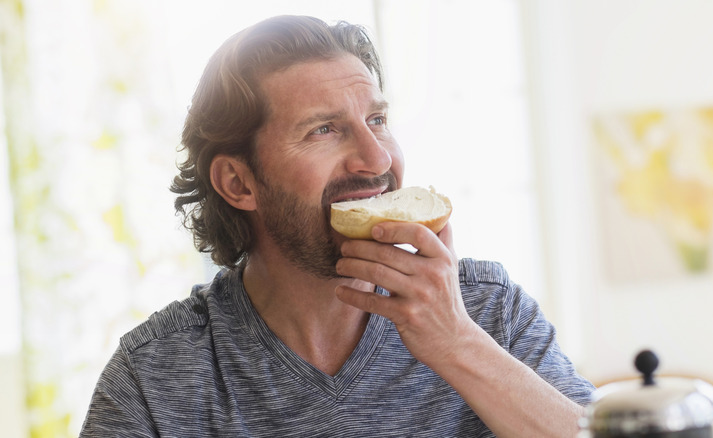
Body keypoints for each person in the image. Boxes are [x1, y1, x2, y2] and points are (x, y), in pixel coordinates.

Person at [81, 15, 594, 437]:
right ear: (239, 183)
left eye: (377, 121)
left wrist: (456, 342)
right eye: (324, 130)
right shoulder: (153, 378)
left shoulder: (487, 309)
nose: (375, 159)